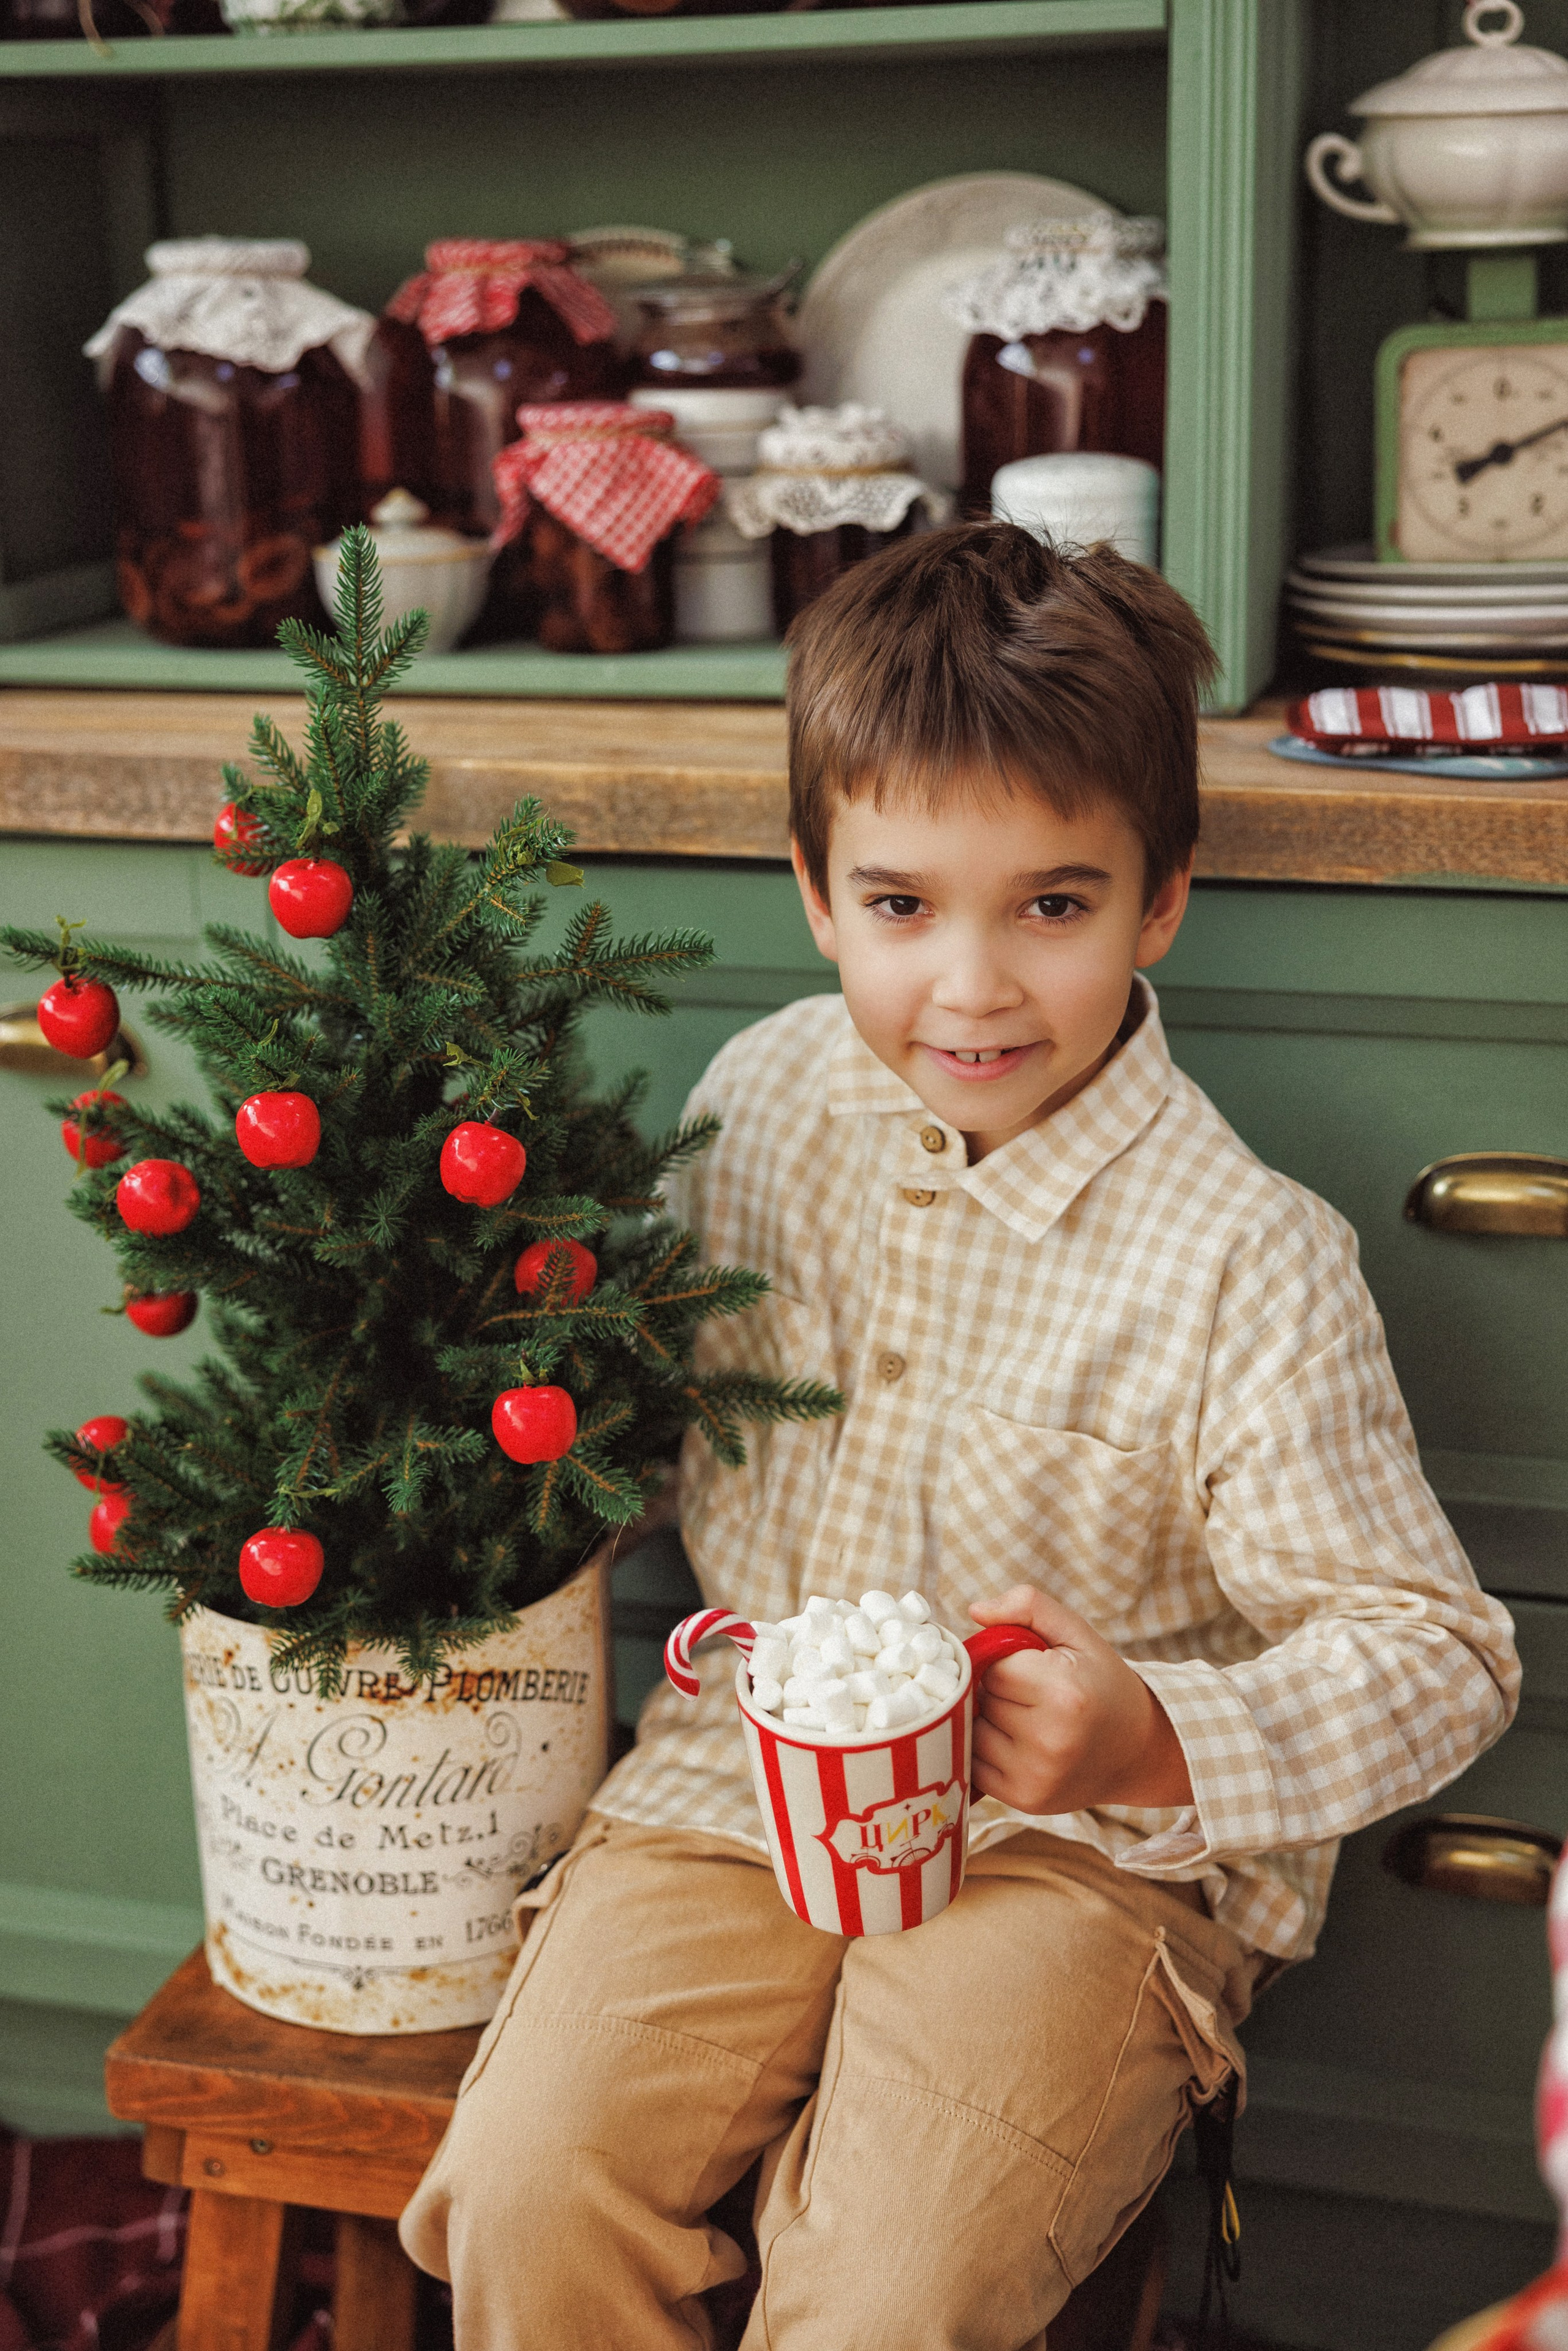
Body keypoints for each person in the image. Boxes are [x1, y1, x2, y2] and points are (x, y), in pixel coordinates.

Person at [401, 523, 1520, 2351]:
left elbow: (1443, 1657)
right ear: (818, 890)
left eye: (1053, 906)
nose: (976, 988)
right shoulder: (759, 1097)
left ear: (1162, 897)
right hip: (733, 1795)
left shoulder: (1245, 1258)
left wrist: (1160, 1731)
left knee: (890, 2287)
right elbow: (639, 1419)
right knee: (527, 2190)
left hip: (1082, 1856)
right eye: (906, 905)